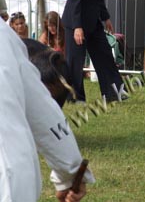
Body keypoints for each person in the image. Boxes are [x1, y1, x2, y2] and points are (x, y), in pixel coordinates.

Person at [0, 17, 95, 202]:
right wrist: (69, 173)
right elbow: (42, 109)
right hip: (14, 175)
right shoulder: (5, 37)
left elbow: (40, 108)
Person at [62, 0, 126, 103]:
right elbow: (75, 1)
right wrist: (77, 27)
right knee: (75, 62)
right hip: (75, 23)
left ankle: (114, 93)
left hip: (93, 22)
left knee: (105, 56)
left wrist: (106, 17)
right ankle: (76, 98)